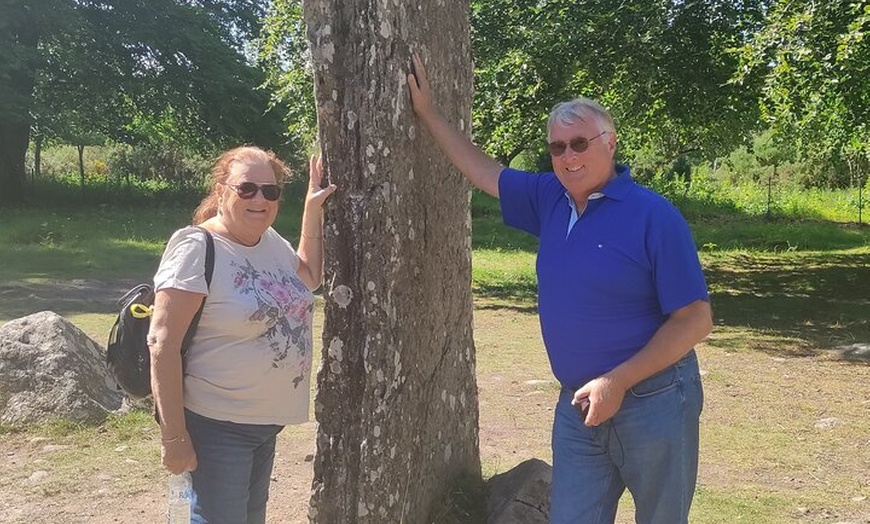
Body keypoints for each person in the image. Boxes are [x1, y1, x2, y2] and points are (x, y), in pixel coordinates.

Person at [408, 54, 712, 524]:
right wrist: (428, 114)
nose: (568, 157)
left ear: (609, 144)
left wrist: (618, 382)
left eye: (579, 143)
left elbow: (695, 319)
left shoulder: (654, 216)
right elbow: (483, 170)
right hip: (578, 406)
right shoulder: (549, 197)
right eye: (556, 148)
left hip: (655, 401)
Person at [147, 146, 336, 523]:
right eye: (246, 188)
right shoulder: (196, 247)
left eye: (270, 191)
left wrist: (312, 211)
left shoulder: (270, 243)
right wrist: (175, 439)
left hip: (264, 425)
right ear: (221, 191)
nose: (259, 199)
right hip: (218, 425)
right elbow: (162, 344)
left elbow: (309, 279)